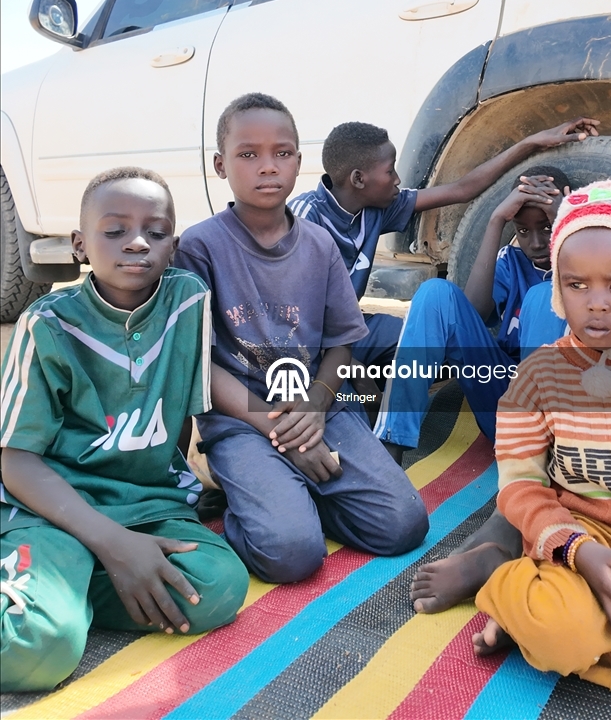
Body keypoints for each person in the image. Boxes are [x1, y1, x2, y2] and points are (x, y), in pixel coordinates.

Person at [0, 168, 249, 694]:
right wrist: (112, 542)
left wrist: (161, 512)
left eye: (156, 232)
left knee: (220, 586)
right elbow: (16, 460)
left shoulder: (188, 301)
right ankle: (56, 580)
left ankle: (62, 586)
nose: (137, 242)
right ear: (79, 244)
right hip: (54, 510)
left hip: (147, 507)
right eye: (114, 231)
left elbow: (181, 420)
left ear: (173, 244)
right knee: (35, 651)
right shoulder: (47, 325)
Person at [173, 93, 429, 586]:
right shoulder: (200, 247)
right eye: (248, 154)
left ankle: (288, 494)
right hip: (242, 418)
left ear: (298, 161)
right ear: (220, 165)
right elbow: (197, 363)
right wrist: (282, 437)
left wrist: (313, 408)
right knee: (291, 554)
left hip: (319, 409)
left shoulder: (318, 245)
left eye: (282, 153)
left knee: (403, 525)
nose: (267, 167)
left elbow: (340, 343)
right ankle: (262, 498)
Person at [471, 180, 611, 712]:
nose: (596, 305)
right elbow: (520, 487)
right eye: (577, 285)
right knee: (569, 635)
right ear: (557, 290)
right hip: (575, 550)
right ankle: (513, 589)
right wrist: (580, 553)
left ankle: (536, 627)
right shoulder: (537, 376)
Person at [289, 118, 599, 376]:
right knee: (350, 394)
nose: (398, 179)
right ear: (358, 179)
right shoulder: (306, 218)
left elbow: (463, 189)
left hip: (350, 330)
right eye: (389, 171)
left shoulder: (376, 208)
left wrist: (530, 143)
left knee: (428, 343)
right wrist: (347, 366)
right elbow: (290, 316)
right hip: (300, 341)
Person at [375, 165, 572, 455]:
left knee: (544, 295)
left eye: (547, 227)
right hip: (503, 397)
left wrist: (567, 219)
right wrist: (495, 220)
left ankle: (542, 454)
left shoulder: (589, 259)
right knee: (435, 292)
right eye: (522, 230)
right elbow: (474, 312)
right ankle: (392, 440)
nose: (537, 242)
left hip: (561, 414)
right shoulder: (511, 261)